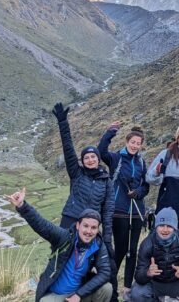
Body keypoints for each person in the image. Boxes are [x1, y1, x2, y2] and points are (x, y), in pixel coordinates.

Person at [6, 187, 112, 302]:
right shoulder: (65, 237)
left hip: (80, 293)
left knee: (106, 288)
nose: (89, 231)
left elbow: (105, 273)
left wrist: (79, 295)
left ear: (97, 230)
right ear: (78, 226)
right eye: (85, 226)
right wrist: (22, 206)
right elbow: (42, 225)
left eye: (93, 228)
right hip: (57, 295)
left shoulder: (98, 245)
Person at [52, 103, 114, 252]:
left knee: (85, 260)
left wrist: (106, 239)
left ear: (98, 159)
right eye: (86, 157)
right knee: (61, 253)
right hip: (70, 219)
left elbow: (108, 212)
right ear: (83, 161)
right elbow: (68, 147)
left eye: (93, 156)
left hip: (91, 225)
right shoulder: (76, 173)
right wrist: (63, 123)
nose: (90, 160)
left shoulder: (106, 181)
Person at [98, 124, 149, 301]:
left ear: (141, 145)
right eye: (132, 142)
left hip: (136, 212)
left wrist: (138, 193)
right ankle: (112, 285)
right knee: (120, 250)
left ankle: (127, 288)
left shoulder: (141, 162)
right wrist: (110, 132)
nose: (135, 145)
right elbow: (101, 151)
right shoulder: (116, 158)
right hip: (118, 211)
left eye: (138, 143)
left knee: (132, 250)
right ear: (127, 141)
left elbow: (146, 185)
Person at [130, 207, 179, 302]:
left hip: (178, 282)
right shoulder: (147, 244)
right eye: (161, 225)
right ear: (156, 226)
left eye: (169, 226)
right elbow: (138, 276)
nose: (165, 230)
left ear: (175, 227)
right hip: (155, 283)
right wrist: (147, 273)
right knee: (137, 292)